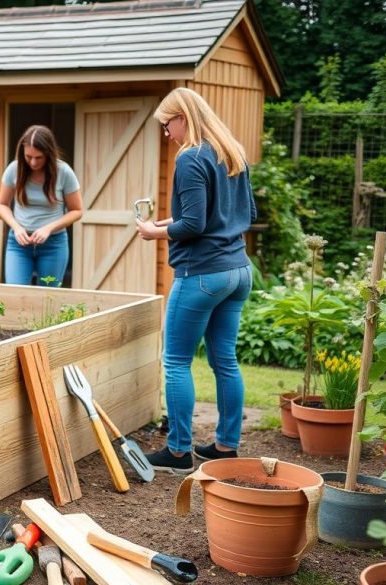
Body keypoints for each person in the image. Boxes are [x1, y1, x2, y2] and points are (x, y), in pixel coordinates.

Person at [136, 87, 256, 474]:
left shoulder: (190, 157)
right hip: (238, 271)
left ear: (183, 118)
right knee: (225, 360)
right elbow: (238, 215)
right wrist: (166, 223)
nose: (167, 134)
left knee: (175, 362)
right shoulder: (231, 152)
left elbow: (195, 224)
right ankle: (225, 445)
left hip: (202, 274)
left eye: (167, 124)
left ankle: (176, 451)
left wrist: (155, 233)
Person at [0, 125, 82, 287]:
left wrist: (48, 228)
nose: (33, 162)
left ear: (49, 153)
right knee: (15, 293)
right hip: (19, 244)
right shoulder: (14, 169)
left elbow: (77, 211)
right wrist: (16, 227)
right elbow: (1, 204)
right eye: (28, 157)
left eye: (39, 157)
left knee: (47, 299)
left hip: (53, 244)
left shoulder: (64, 172)